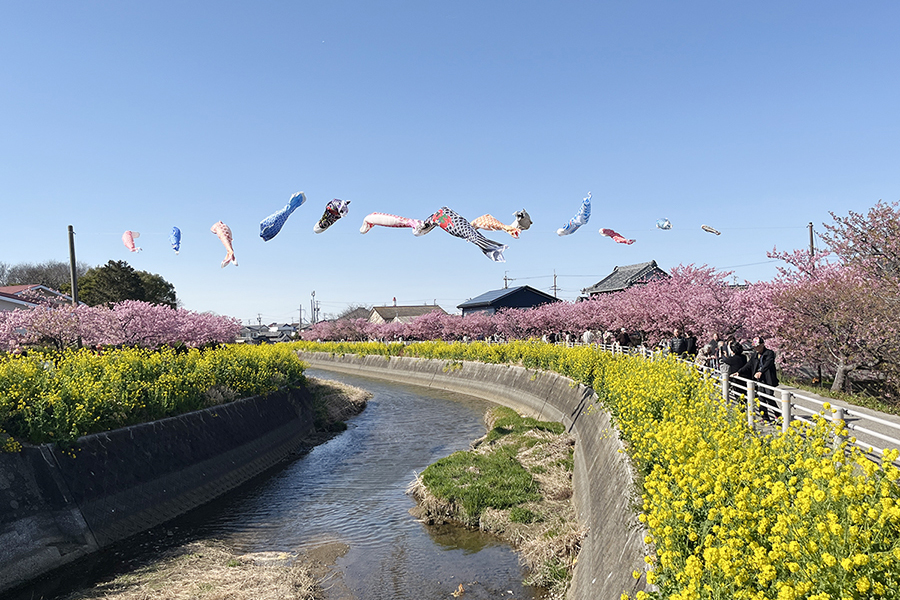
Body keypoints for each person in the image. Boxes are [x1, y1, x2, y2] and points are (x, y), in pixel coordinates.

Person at [736, 336, 779, 419]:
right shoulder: (755, 354)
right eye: (755, 347)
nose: (756, 348)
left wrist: (761, 371)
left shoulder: (769, 353)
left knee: (769, 396)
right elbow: (749, 364)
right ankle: (765, 417)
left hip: (768, 378)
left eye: (758, 346)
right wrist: (739, 372)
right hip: (759, 379)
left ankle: (778, 414)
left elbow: (768, 363)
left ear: (763, 344)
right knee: (760, 398)